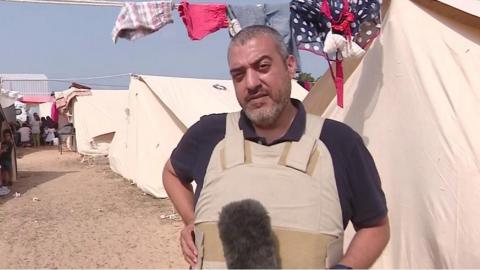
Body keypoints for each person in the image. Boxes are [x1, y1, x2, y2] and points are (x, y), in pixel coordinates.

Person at [163, 25, 389, 269]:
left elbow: (375, 227)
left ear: (290, 65)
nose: (251, 83)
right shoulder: (208, 135)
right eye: (239, 75)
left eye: (263, 67)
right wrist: (192, 220)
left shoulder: (339, 143)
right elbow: (172, 173)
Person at [0, 129, 14, 196]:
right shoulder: (3, 143)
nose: (6, 137)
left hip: (7, 159)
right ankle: (5, 181)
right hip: (3, 159)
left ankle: (10, 180)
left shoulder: (9, 143)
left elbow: (3, 150)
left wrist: (1, 151)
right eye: (5, 136)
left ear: (10, 136)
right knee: (4, 170)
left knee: (9, 170)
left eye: (8, 136)